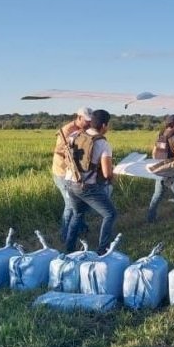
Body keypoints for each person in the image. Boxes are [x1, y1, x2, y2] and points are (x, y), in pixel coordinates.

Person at [65, 109, 117, 254]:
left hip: (70, 182)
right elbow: (107, 173)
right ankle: (102, 250)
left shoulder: (75, 135)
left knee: (78, 214)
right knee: (110, 214)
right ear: (104, 125)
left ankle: (69, 249)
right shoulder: (103, 144)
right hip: (87, 186)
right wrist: (114, 175)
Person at [52, 107, 91, 242]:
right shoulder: (67, 131)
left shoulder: (85, 129)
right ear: (79, 117)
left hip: (75, 173)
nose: (89, 124)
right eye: (86, 121)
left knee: (79, 202)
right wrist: (73, 153)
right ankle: (65, 234)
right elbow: (59, 151)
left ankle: (80, 227)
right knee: (70, 204)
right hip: (63, 173)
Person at [147, 114, 174, 222]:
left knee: (157, 195)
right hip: (172, 171)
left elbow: (154, 153)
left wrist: (159, 166)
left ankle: (150, 218)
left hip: (160, 170)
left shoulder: (161, 135)